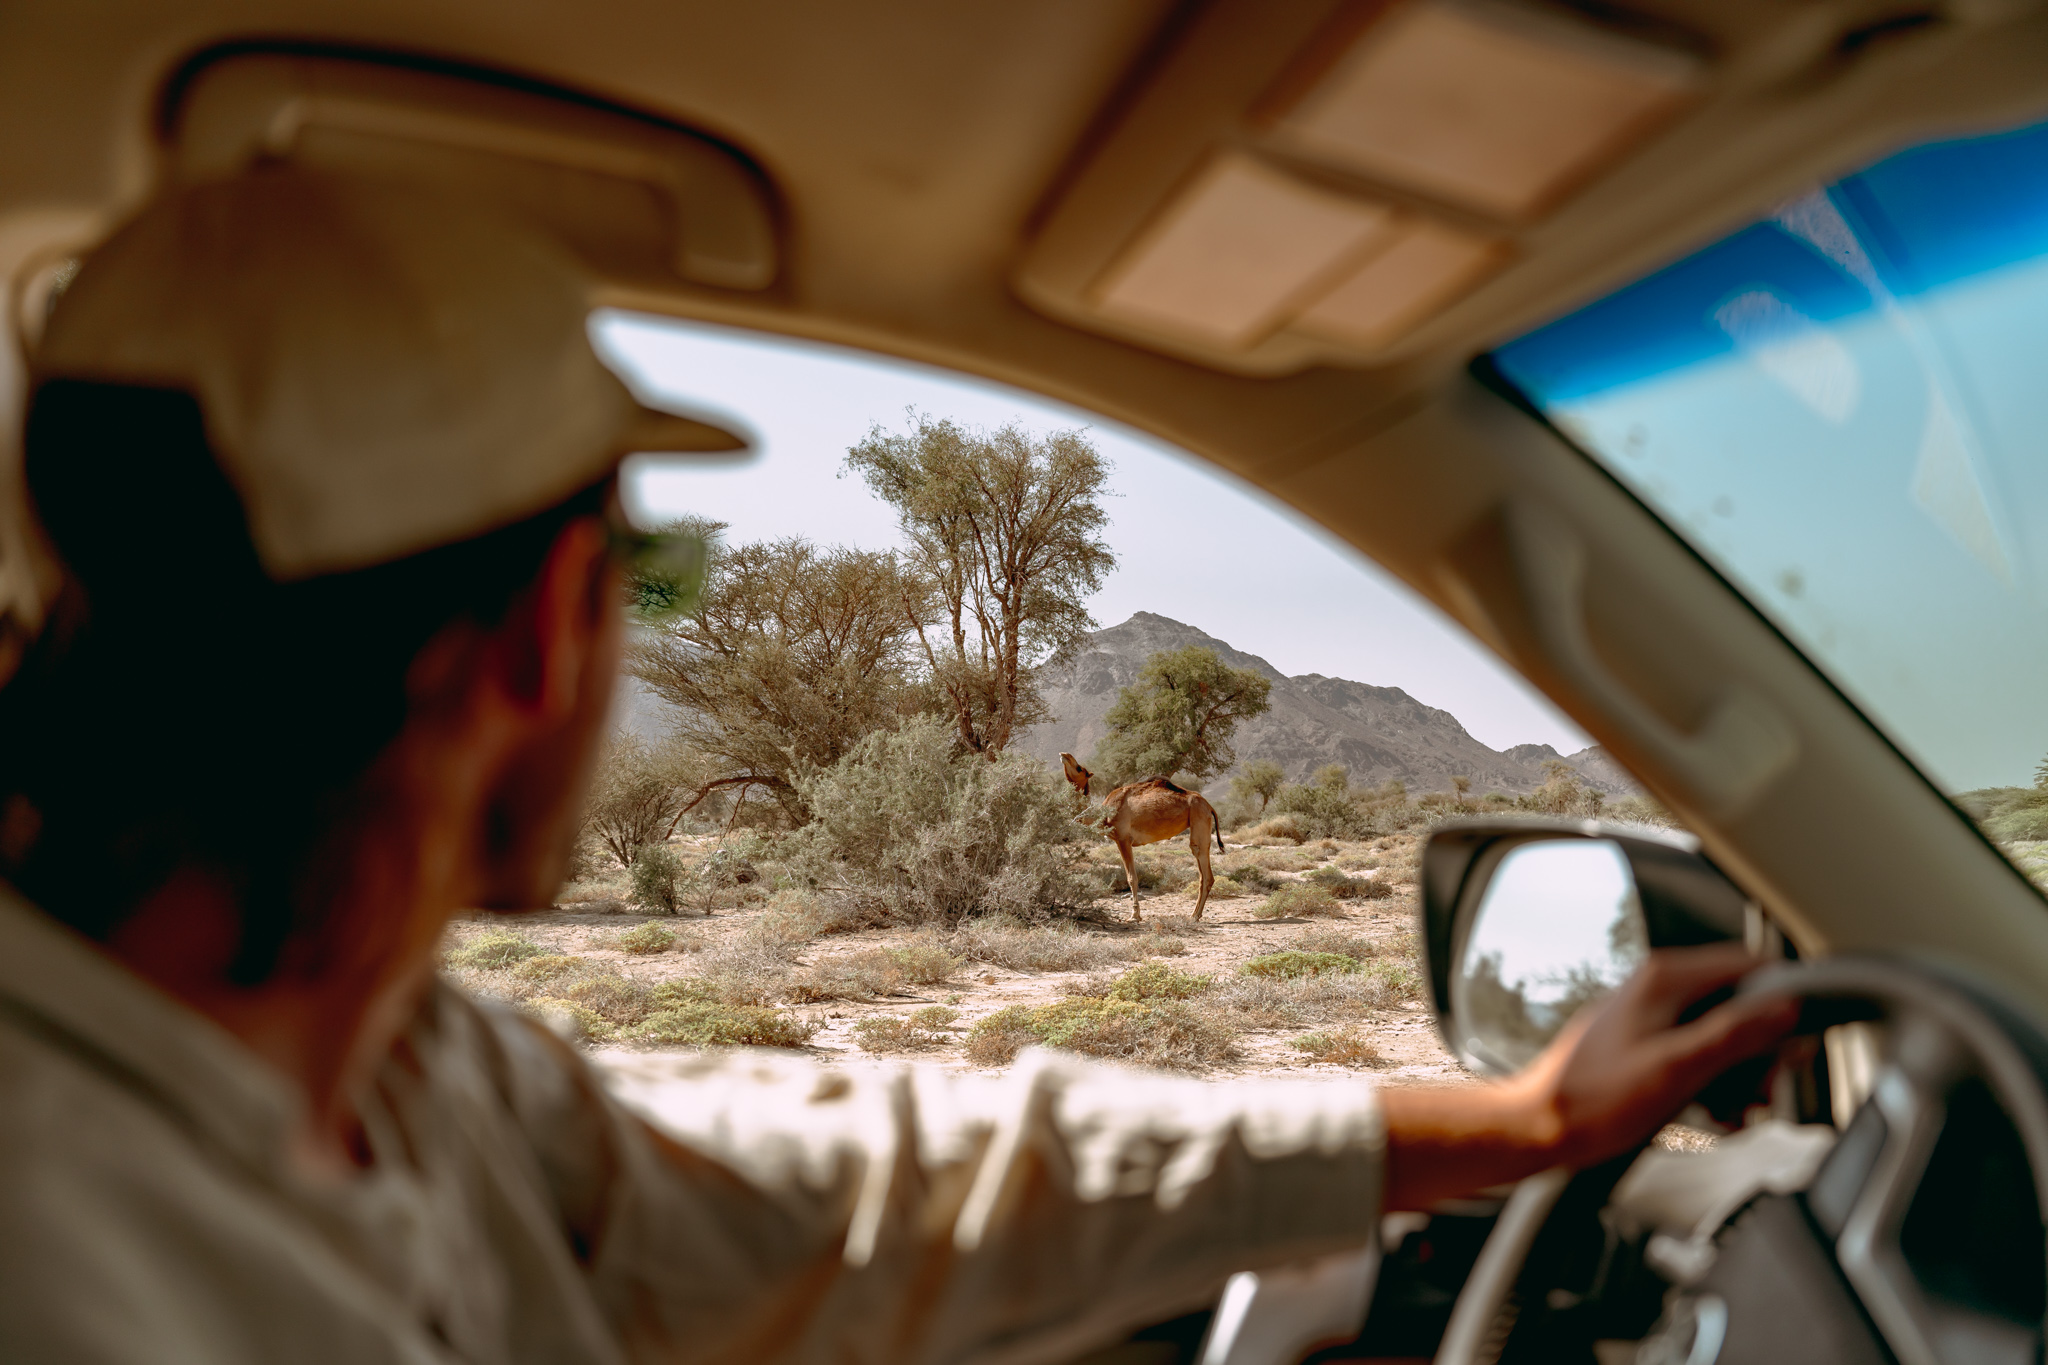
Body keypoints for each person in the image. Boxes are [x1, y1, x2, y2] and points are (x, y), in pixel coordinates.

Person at [0, 166, 1798, 1363]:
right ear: (557, 621)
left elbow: (879, 1167)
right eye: (632, 576)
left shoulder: (403, 1068)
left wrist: (1515, 1120)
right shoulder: (101, 1238)